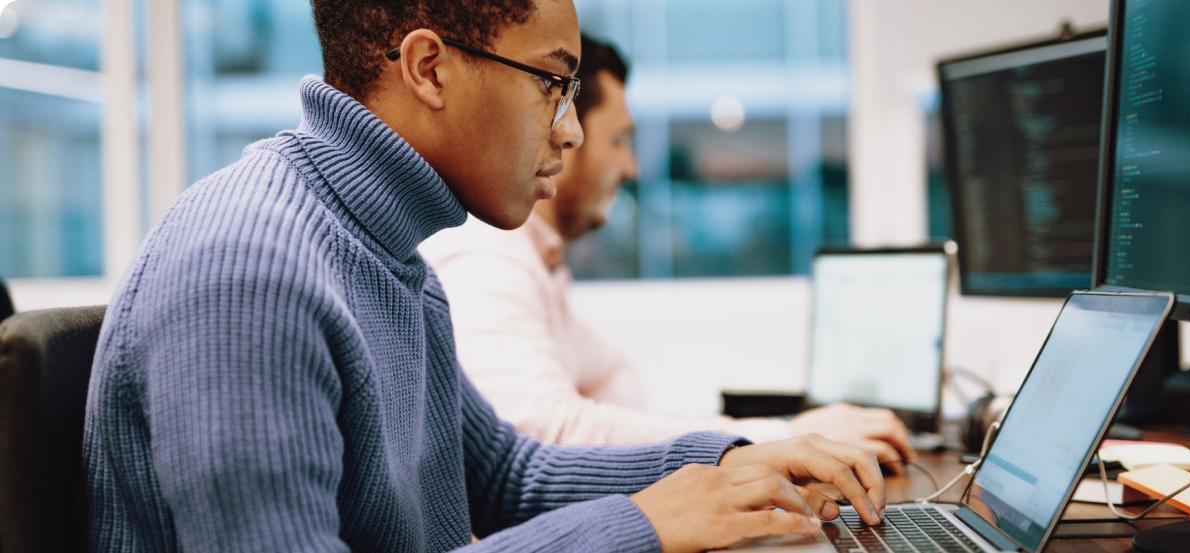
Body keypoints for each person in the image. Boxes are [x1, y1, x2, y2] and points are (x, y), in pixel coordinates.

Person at [80, 1, 887, 552]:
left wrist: (731, 462)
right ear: (429, 69)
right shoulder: (251, 274)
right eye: (553, 82)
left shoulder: (390, 252)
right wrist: (641, 523)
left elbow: (504, 474)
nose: (570, 132)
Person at [420, 35, 915, 468]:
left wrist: (766, 435)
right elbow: (545, 435)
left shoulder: (537, 257)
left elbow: (615, 384)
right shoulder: (486, 256)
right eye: (618, 140)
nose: (631, 168)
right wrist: (781, 440)